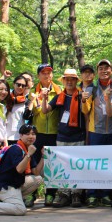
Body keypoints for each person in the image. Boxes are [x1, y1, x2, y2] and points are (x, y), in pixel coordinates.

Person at [42, 68, 87, 208]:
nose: (69, 82)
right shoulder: (59, 96)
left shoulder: (81, 95)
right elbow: (45, 110)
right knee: (62, 166)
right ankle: (63, 193)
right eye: (67, 79)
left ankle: (76, 194)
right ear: (63, 81)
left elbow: (86, 114)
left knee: (77, 166)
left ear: (76, 81)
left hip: (78, 136)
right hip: (62, 136)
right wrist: (44, 98)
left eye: (72, 79)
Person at [0, 124, 44, 217]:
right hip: (5, 186)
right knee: (20, 210)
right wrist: (29, 155)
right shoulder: (16, 149)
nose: (31, 136)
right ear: (20, 135)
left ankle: (11, 201)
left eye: (33, 134)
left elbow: (36, 172)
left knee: (38, 179)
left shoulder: (28, 149)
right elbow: (19, 169)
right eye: (27, 134)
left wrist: (43, 156)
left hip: (16, 184)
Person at [82, 60, 112, 207]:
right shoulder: (92, 87)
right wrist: (83, 101)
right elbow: (85, 110)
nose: (104, 71)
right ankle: (92, 194)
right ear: (97, 72)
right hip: (95, 130)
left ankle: (105, 194)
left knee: (108, 164)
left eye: (107, 68)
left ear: (111, 70)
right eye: (101, 68)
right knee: (94, 163)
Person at [31, 63, 62, 206]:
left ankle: (50, 194)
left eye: (49, 72)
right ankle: (31, 193)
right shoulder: (33, 92)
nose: (46, 75)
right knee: (34, 162)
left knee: (52, 164)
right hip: (37, 133)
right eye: (43, 73)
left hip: (54, 133)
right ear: (38, 75)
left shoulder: (59, 91)